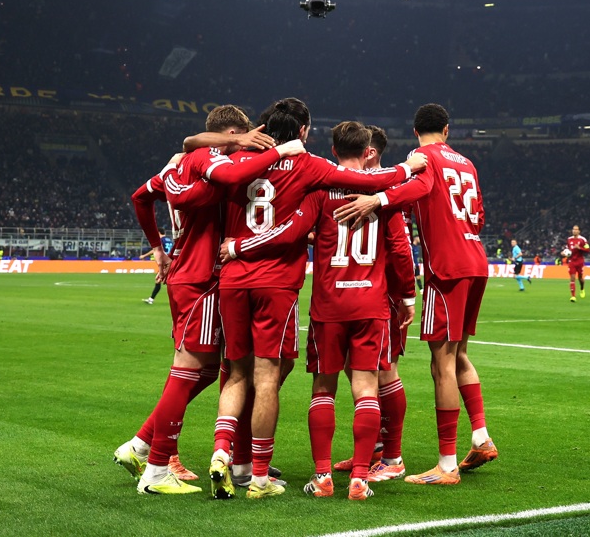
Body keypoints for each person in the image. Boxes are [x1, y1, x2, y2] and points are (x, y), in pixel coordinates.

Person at [209, 101, 422, 499]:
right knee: (364, 388)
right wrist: (408, 171)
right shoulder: (347, 182)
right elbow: (399, 235)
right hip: (362, 302)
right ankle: (358, 476)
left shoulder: (260, 167)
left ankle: (310, 473)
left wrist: (238, 246)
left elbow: (295, 227)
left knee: (296, 384)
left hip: (317, 303)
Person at [117, 105, 294, 495]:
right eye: (244, 135)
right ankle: (158, 465)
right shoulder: (213, 165)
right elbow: (220, 176)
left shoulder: (179, 164)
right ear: (230, 133)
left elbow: (141, 196)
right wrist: (276, 153)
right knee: (198, 368)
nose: (247, 143)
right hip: (205, 276)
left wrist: (158, 249)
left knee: (211, 370)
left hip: (184, 270)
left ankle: (146, 445)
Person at [334, 102, 496, 486]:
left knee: (440, 362)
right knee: (459, 354)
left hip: (448, 266)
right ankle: (480, 436)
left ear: (415, 130)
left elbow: (421, 185)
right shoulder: (467, 163)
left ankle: (446, 464)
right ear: (448, 129)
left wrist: (378, 199)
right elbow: (479, 215)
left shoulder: (421, 156)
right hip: (476, 259)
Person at [329, 124, 416, 486]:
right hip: (365, 291)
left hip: (384, 292)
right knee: (358, 370)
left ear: (371, 152)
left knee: (385, 370)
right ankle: (375, 448)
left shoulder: (388, 187)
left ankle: (393, 456)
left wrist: (407, 295)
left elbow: (400, 247)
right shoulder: (381, 184)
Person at [143, 234, 175, 305]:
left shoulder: (161, 240)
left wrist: (144, 255)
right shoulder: (169, 240)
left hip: (164, 261)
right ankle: (151, 299)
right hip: (171, 260)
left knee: (159, 280)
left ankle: (151, 299)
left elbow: (156, 250)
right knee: (165, 280)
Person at [564, 225, 590, 301]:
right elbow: (567, 249)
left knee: (580, 278)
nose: (574, 231)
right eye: (573, 229)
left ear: (579, 231)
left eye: (576, 230)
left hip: (580, 261)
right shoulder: (569, 239)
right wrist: (564, 252)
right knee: (572, 278)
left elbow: (588, 250)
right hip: (572, 261)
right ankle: (573, 296)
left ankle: (582, 288)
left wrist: (580, 248)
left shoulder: (583, 240)